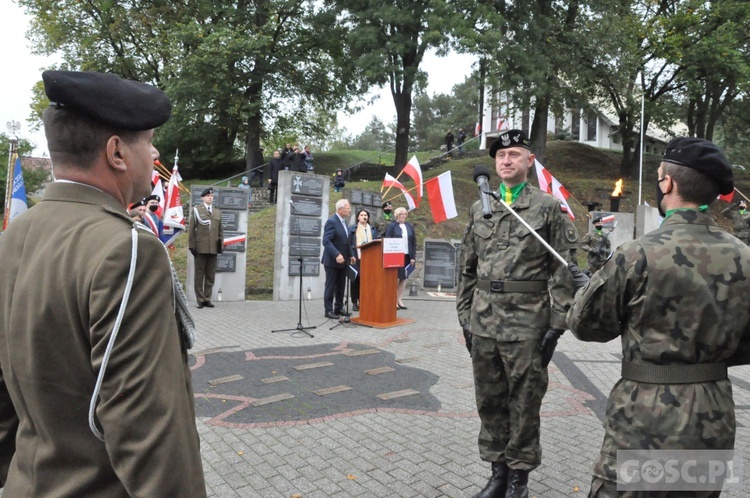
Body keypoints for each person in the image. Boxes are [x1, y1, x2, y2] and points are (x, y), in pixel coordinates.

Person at [0, 70, 206, 496]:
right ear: (116, 152)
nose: (155, 151)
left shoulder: (12, 237)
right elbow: (148, 431)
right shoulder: (127, 249)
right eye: (147, 140)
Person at [567, 137, 750, 498]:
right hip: (713, 415)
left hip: (644, 415)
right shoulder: (745, 257)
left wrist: (586, 291)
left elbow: (586, 326)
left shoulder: (636, 254)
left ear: (668, 183)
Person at [456, 129, 577, 498]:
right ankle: (496, 474)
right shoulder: (481, 207)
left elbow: (565, 269)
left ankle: (517, 480)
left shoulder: (547, 208)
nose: (505, 161)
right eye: (500, 156)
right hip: (483, 322)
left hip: (527, 324)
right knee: (490, 400)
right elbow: (466, 267)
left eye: (513, 154)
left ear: (529, 161)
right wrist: (464, 317)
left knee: (524, 403)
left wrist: (556, 325)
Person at [189, 187, 224, 308]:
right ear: (203, 197)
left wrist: (220, 245)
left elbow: (220, 231)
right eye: (208, 196)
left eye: (212, 196)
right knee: (199, 274)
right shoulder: (197, 210)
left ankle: (207, 298)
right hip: (200, 247)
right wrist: (192, 245)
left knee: (210, 274)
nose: (210, 197)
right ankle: (200, 299)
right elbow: (192, 229)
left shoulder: (217, 212)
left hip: (213, 247)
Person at [321, 199, 356, 319]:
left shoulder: (344, 223)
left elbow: (346, 241)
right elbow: (326, 241)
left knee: (341, 285)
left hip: (344, 261)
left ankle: (338, 308)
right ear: (340, 209)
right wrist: (337, 254)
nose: (349, 210)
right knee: (331, 285)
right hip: (332, 261)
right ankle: (328, 310)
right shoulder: (332, 221)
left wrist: (351, 255)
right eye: (347, 208)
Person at [385, 206, 416, 310]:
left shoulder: (409, 226)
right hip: (395, 255)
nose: (402, 216)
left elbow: (413, 242)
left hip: (407, 255)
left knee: (403, 278)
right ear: (397, 215)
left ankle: (399, 299)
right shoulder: (392, 226)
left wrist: (413, 257)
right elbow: (387, 240)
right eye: (400, 214)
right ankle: (392, 300)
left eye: (404, 214)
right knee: (395, 278)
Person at [348, 209, 379, 311]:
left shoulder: (372, 229)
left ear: (368, 217)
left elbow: (376, 241)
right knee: (355, 280)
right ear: (358, 217)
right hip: (356, 257)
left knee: (366, 281)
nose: (364, 217)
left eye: (365, 215)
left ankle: (364, 301)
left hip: (369, 258)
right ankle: (354, 302)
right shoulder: (353, 229)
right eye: (361, 215)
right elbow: (349, 243)